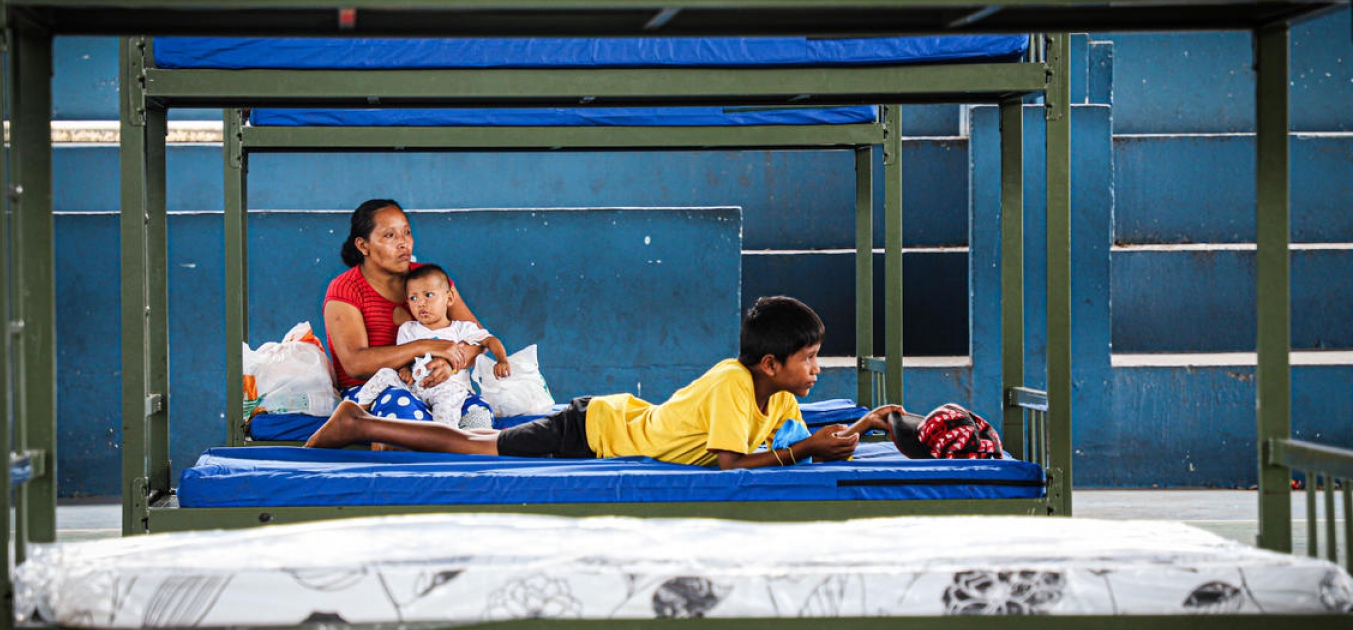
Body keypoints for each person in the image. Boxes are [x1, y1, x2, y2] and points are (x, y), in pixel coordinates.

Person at [308, 296, 906, 470]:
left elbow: (803, 439)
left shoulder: (774, 398)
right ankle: (356, 422)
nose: (817, 369)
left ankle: (361, 424)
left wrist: (862, 426)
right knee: (473, 448)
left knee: (481, 445)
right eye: (809, 359)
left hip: (609, 421)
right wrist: (805, 450)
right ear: (770, 363)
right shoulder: (733, 382)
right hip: (593, 430)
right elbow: (730, 467)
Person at [323, 199, 487, 420]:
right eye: (390, 235)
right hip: (374, 391)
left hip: (437, 386)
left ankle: (448, 445)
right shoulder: (345, 289)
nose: (404, 243)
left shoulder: (430, 279)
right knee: (401, 410)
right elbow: (356, 364)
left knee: (478, 414)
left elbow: (479, 340)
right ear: (363, 246)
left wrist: (451, 365)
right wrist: (425, 346)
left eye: (407, 233)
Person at [352, 264, 511, 429]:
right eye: (413, 298)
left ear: (448, 298)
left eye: (428, 295)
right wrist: (405, 370)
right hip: (415, 387)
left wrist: (501, 359)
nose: (421, 303)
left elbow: (490, 340)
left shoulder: (461, 329)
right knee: (385, 374)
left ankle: (445, 435)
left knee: (461, 403)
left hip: (447, 388)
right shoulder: (408, 329)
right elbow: (403, 358)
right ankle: (357, 411)